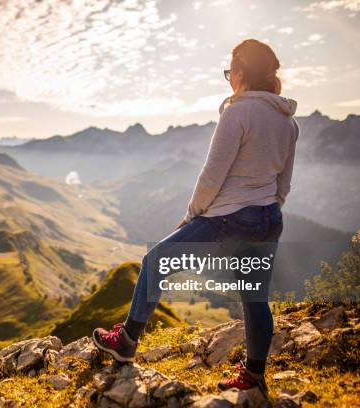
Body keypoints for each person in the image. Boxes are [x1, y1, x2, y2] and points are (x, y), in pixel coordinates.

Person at [91, 38, 299, 395]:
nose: (228, 79)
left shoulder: (238, 112)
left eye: (228, 72)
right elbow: (284, 184)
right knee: (255, 298)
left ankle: (126, 341)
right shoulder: (288, 122)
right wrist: (267, 211)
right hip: (268, 217)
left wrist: (191, 217)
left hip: (227, 217)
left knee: (154, 261)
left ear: (240, 73)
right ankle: (254, 376)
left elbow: (212, 175)